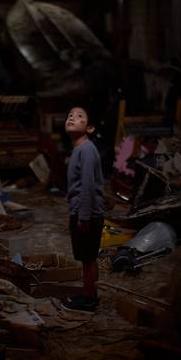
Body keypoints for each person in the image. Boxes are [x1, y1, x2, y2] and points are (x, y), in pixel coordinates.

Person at [63, 106, 105, 312]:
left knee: (88, 259)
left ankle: (89, 300)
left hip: (87, 214)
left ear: (90, 128)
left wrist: (84, 217)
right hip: (81, 210)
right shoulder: (79, 149)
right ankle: (89, 293)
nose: (72, 118)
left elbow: (88, 185)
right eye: (70, 115)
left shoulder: (87, 150)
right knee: (86, 258)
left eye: (80, 116)